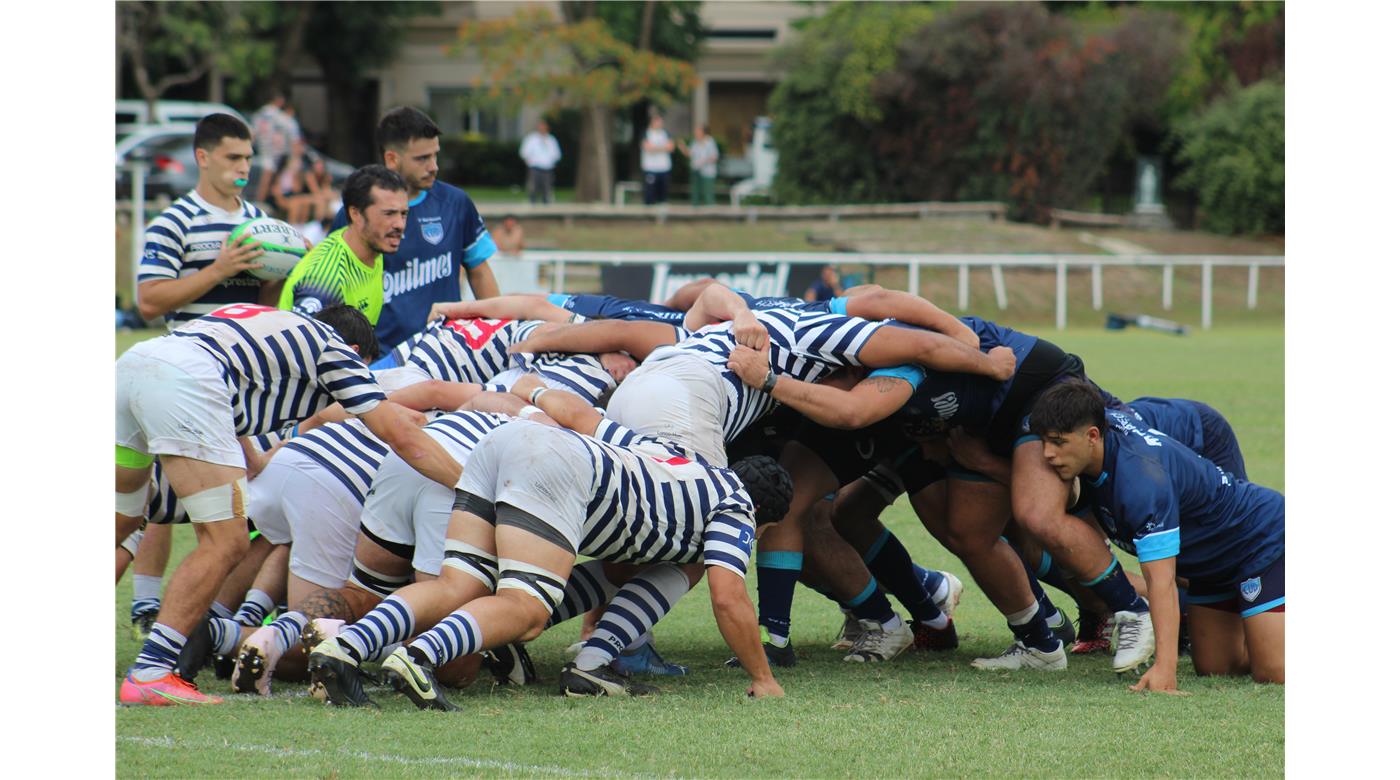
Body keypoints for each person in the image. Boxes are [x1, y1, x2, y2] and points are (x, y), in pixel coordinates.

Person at [115, 303, 461, 706]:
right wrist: (468, 488)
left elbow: (226, 384)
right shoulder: (335, 352)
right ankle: (152, 670)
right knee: (225, 541)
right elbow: (404, 439)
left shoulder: (280, 329)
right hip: (184, 382)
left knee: (120, 524)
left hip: (133, 365)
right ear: (354, 351)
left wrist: (255, 460)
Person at [1030, 380, 1284, 691]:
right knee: (1217, 667)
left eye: (1058, 442)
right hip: (1210, 569)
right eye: (1043, 441)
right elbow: (1078, 383)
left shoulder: (1140, 482)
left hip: (1261, 539)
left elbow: (1161, 583)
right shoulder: (1105, 423)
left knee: (1275, 672)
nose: (1047, 454)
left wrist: (1166, 668)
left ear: (1093, 436)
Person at [332, 107, 500, 354]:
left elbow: (480, 271)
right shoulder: (357, 213)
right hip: (382, 357)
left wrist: (496, 330)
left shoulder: (456, 203)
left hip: (447, 352)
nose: (434, 166)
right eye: (422, 159)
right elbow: (336, 288)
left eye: (435, 155)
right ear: (392, 159)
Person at [136, 113, 275, 329]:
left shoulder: (260, 222)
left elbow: (266, 306)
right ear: (203, 158)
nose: (244, 168)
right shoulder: (172, 223)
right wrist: (218, 271)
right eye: (233, 158)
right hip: (192, 358)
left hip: (246, 359)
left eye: (248, 158)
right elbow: (148, 304)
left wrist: (287, 269)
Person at [280, 165, 407, 324]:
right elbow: (301, 346)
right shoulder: (325, 280)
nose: (400, 224)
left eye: (403, 214)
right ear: (356, 214)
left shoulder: (374, 247)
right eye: (389, 214)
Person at [251, 92, 302, 205]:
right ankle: (262, 203)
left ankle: (259, 203)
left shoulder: (258, 115)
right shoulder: (283, 118)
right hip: (279, 155)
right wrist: (295, 159)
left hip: (261, 153)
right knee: (275, 183)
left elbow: (252, 136)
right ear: (279, 101)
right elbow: (295, 139)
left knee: (265, 181)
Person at [518, 120, 561, 204]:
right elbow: (524, 152)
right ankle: (532, 202)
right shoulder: (531, 139)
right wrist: (529, 161)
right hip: (535, 167)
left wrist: (552, 161)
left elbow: (557, 154)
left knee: (547, 188)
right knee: (533, 187)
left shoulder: (551, 139)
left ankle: (546, 203)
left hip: (548, 168)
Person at [679, 125, 718, 206]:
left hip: (707, 172)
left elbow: (714, 157)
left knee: (707, 193)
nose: (695, 133)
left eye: (697, 131)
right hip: (696, 170)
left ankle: (710, 212)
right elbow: (690, 154)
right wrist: (683, 148)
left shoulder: (710, 141)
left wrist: (703, 161)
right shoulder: (695, 142)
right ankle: (695, 212)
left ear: (703, 132)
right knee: (695, 193)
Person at [641, 115, 675, 206]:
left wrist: (655, 148)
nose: (659, 124)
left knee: (663, 194)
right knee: (649, 194)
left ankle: (661, 216)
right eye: (657, 122)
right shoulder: (646, 133)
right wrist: (664, 148)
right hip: (650, 168)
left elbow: (671, 147)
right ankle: (648, 216)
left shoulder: (666, 133)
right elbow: (647, 148)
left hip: (664, 168)